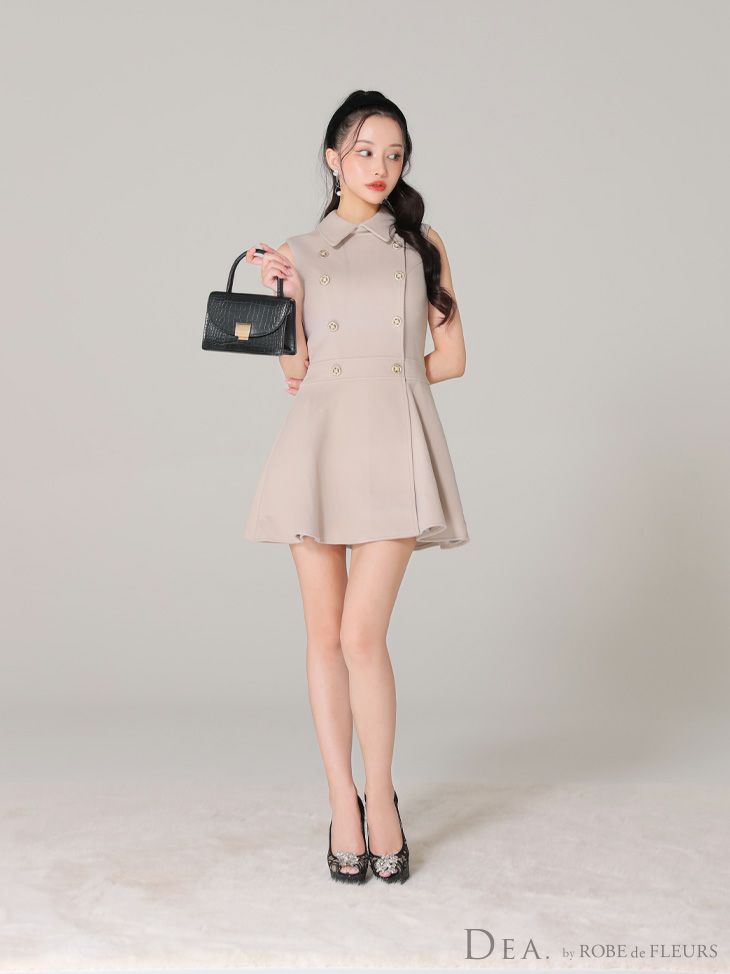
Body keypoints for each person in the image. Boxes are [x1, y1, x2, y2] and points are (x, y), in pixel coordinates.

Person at [243, 90, 469, 884]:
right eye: (366, 151)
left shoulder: (423, 246)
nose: (382, 167)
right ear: (333, 158)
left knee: (361, 636)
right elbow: (297, 368)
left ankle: (382, 798)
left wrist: (390, 376)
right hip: (318, 445)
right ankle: (343, 799)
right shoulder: (298, 252)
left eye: (395, 153)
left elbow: (451, 360)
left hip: (393, 444)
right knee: (323, 637)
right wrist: (288, 298)